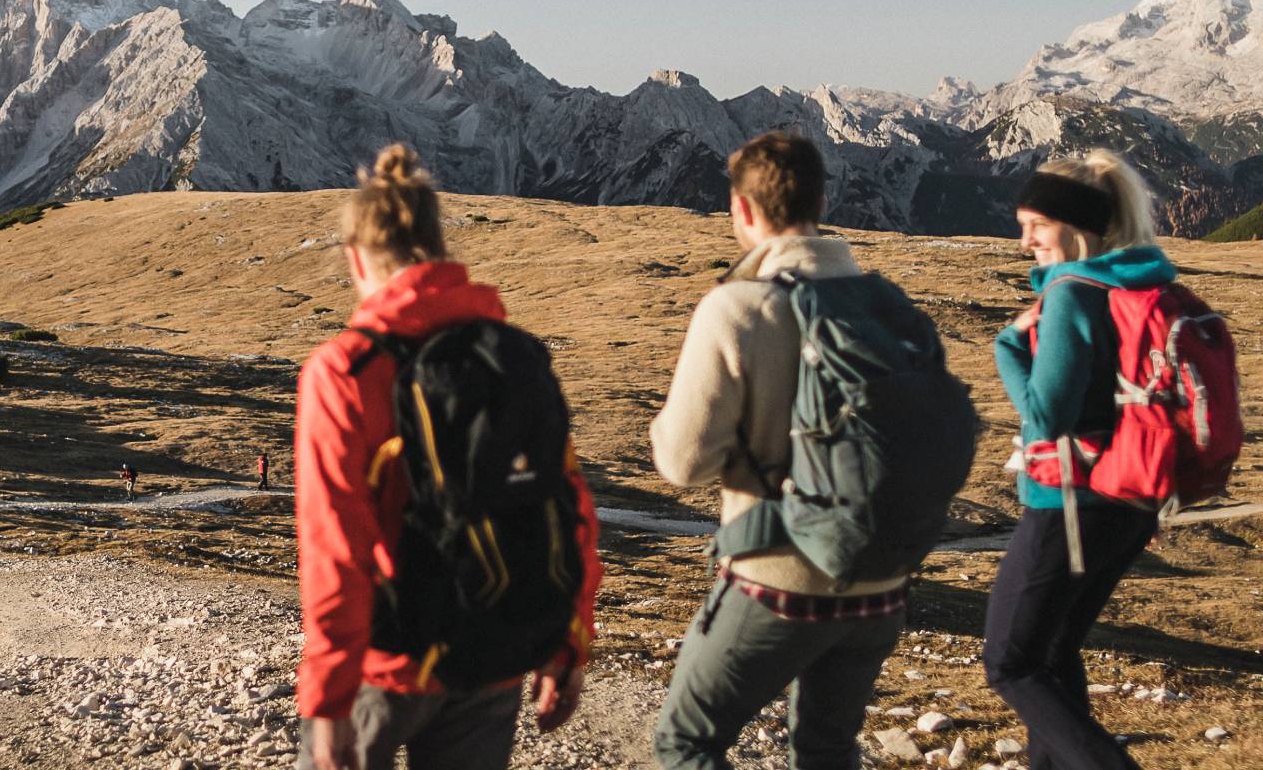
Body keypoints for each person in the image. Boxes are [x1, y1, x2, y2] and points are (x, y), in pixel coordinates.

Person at [296, 144, 601, 770]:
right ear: (440, 247)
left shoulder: (346, 371)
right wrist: (569, 638)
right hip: (495, 647)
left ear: (356, 258)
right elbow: (567, 503)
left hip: (389, 663)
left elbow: (335, 548)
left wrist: (327, 696)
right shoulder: (512, 355)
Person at [650, 132, 913, 770]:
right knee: (827, 747)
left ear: (742, 209)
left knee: (685, 743)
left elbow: (683, 463)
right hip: (881, 579)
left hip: (781, 576)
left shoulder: (738, 307)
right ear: (822, 200)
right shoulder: (886, 304)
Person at [984, 151, 1170, 770]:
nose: (1026, 241)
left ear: (1077, 226)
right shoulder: (1134, 283)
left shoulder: (1071, 294)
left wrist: (1008, 345)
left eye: (1037, 224)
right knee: (1053, 654)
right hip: (1129, 501)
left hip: (1070, 502)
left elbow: (1045, 418)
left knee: (1010, 662)